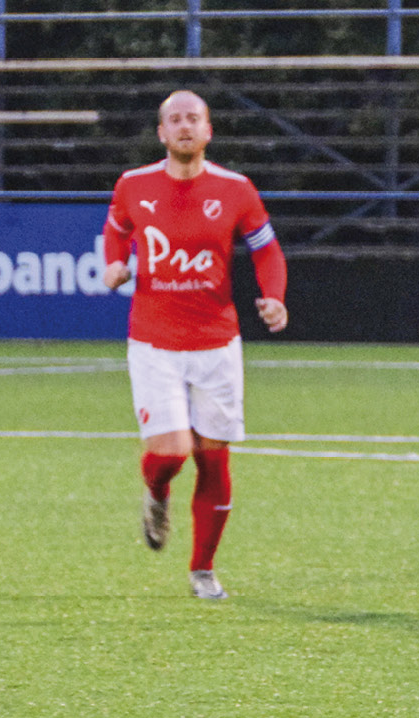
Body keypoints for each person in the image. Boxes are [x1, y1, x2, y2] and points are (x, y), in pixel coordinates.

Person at [101, 90, 289, 601]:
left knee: (214, 458)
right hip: (154, 341)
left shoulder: (236, 189)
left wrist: (274, 297)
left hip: (216, 343)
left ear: (209, 130)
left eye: (194, 118)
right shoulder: (133, 185)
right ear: (161, 133)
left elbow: (268, 251)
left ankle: (202, 569)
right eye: (174, 119)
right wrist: (115, 265)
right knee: (171, 452)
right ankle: (156, 493)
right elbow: (115, 232)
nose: (185, 126)